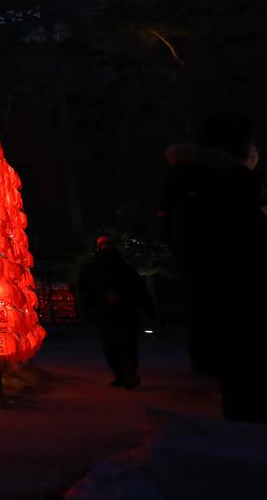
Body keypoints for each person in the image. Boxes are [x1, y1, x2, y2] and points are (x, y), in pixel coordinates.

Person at [160, 112, 267, 422]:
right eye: (251, 142)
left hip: (232, 326)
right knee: (251, 420)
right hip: (242, 325)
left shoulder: (204, 191)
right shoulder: (216, 193)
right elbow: (236, 259)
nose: (254, 150)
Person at [76, 237, 154, 389]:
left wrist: (89, 310)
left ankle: (124, 374)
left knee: (116, 345)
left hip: (112, 314)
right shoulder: (123, 269)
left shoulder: (93, 269)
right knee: (123, 345)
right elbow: (141, 291)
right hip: (118, 313)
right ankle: (125, 373)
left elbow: (84, 292)